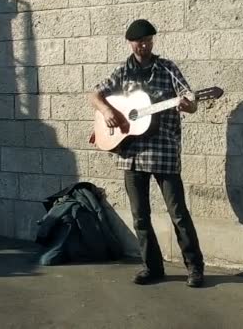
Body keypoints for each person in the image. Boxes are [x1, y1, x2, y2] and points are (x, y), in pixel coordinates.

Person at [89, 19, 205, 287]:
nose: (144, 45)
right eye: (139, 41)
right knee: (140, 215)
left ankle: (194, 268)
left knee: (178, 213)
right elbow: (95, 95)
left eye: (149, 41)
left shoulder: (168, 68)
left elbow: (191, 103)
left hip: (164, 151)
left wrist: (188, 105)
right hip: (131, 152)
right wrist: (107, 112)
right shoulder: (122, 73)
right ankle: (152, 268)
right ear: (130, 43)